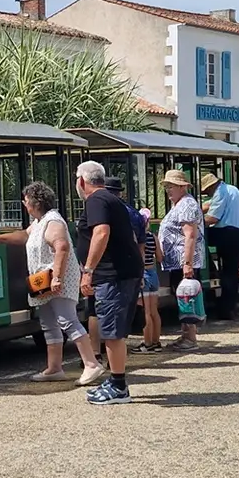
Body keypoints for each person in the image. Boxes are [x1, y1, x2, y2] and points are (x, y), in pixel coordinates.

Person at [0, 181, 99, 381]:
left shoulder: (53, 221)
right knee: (49, 322)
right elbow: (25, 235)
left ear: (35, 202)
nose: (24, 204)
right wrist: (0, 238)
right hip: (43, 280)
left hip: (56, 279)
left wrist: (57, 277)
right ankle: (54, 368)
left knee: (67, 320)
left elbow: (62, 247)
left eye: (25, 201)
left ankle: (91, 364)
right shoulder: (40, 222)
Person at [76, 160, 144, 405]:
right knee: (112, 329)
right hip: (122, 272)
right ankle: (116, 380)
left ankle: (118, 385)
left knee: (112, 332)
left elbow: (101, 232)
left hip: (112, 275)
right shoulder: (111, 200)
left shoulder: (96, 200)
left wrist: (89, 270)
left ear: (82, 181)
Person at [155, 169, 203, 350]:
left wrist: (187, 264)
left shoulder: (187, 205)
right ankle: (186, 335)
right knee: (182, 297)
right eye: (167, 186)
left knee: (186, 298)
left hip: (184, 261)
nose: (168, 190)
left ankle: (190, 338)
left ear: (182, 187)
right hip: (177, 262)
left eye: (171, 186)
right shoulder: (180, 204)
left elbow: (190, 235)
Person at [201, 172, 239, 321]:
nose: (207, 193)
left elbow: (212, 218)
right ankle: (229, 307)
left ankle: (225, 309)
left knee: (228, 273)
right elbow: (209, 205)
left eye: (206, 190)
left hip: (229, 233)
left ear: (210, 187)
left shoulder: (220, 192)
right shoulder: (231, 189)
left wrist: (193, 219)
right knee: (232, 271)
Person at [134, 207, 165, 353]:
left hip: (144, 274)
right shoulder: (154, 237)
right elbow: (160, 257)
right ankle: (156, 341)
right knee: (154, 311)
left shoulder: (139, 239)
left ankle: (147, 343)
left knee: (145, 312)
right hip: (153, 273)